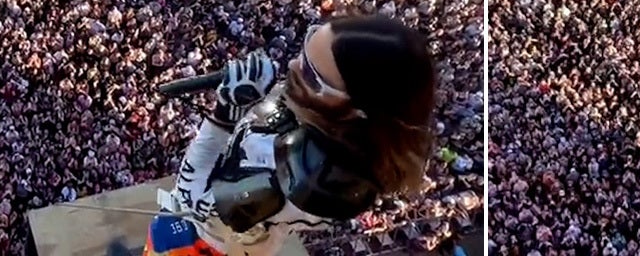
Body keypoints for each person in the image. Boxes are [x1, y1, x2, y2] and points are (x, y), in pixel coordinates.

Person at [143, 15, 438, 256]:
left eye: (311, 75)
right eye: (306, 47)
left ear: (356, 110)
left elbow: (191, 198)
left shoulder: (314, 177)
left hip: (205, 246)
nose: (293, 67)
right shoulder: (329, 121)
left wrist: (225, 111)